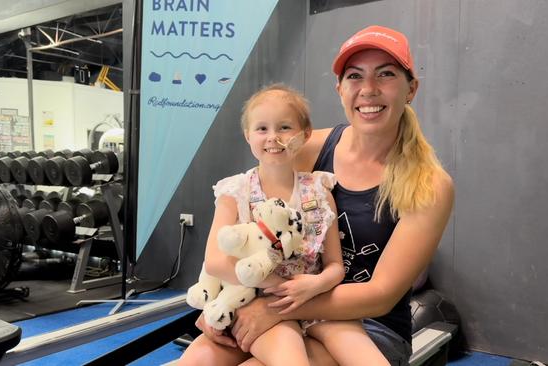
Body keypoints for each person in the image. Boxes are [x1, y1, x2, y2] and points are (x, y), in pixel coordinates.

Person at [192, 25, 455, 366]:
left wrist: (271, 309)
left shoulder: (430, 184)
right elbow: (247, 222)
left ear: (410, 89)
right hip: (277, 297)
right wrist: (220, 301)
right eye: (355, 76)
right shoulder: (306, 146)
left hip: (368, 324)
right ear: (340, 89)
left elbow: (380, 296)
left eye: (386, 74)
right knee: (200, 359)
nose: (369, 90)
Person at [178, 84, 390, 366]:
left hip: (316, 305)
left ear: (304, 135)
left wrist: (314, 285)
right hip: (256, 303)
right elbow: (215, 263)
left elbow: (335, 266)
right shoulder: (235, 192)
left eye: (285, 127)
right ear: (248, 135)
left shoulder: (319, 191)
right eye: (262, 129)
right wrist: (276, 284)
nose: (273, 137)